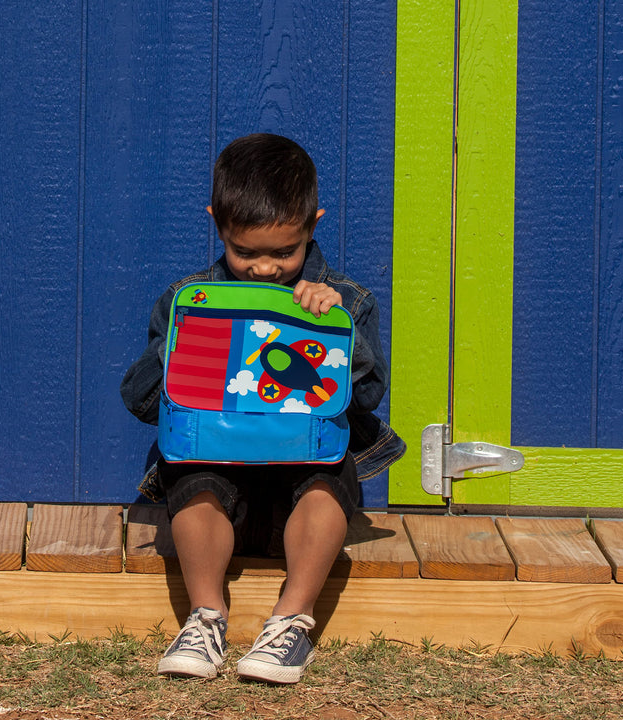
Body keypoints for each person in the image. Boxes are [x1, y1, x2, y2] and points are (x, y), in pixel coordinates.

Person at [121, 133, 405, 684]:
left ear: (313, 225)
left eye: (285, 251)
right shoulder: (190, 297)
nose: (265, 268)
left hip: (302, 495)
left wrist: (336, 327)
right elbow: (140, 400)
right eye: (244, 252)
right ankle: (205, 619)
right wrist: (183, 335)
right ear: (217, 224)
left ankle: (290, 623)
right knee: (193, 477)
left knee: (329, 481)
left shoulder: (344, 299)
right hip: (217, 492)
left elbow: (367, 397)